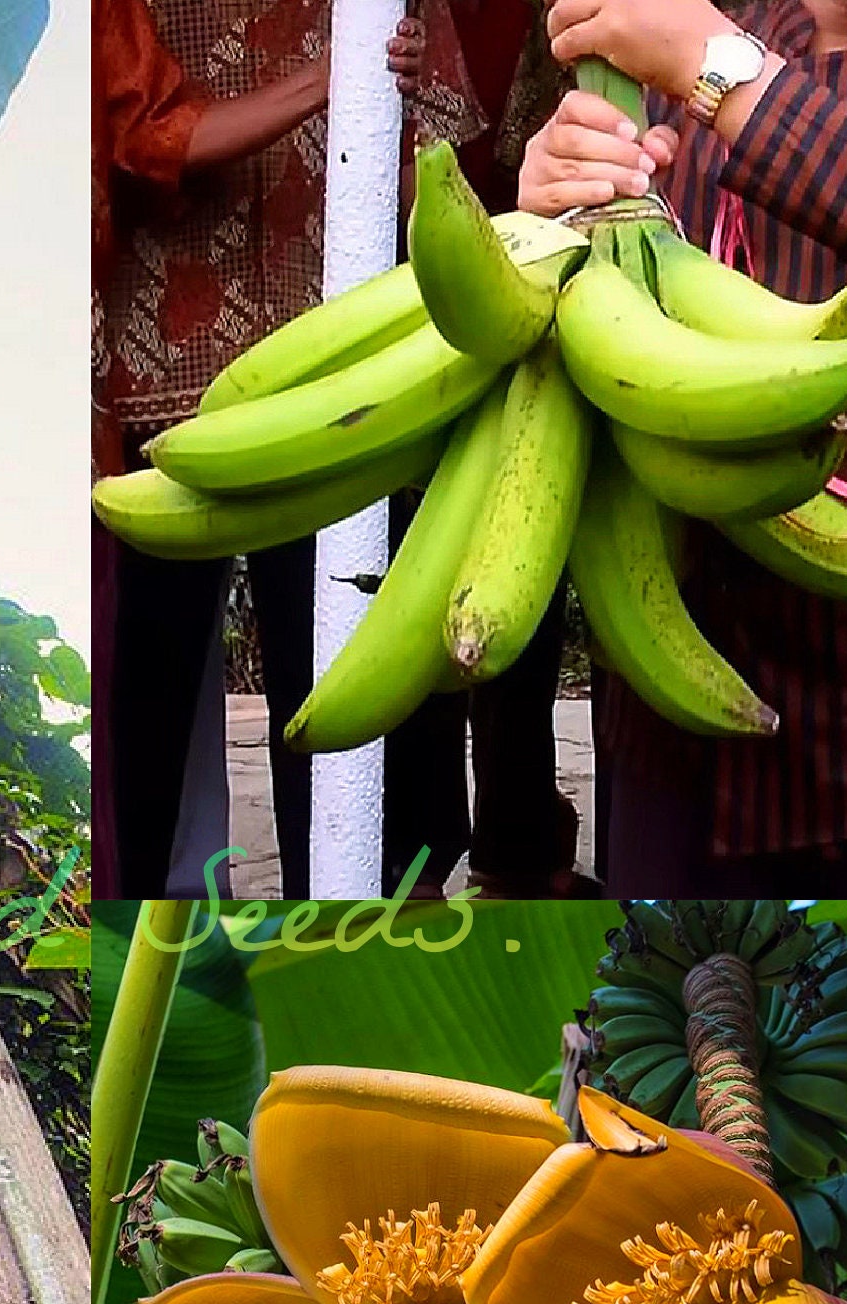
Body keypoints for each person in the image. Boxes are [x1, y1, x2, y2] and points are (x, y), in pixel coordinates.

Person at [518, 0, 847, 892]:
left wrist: (734, 78)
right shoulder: (681, 37)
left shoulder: (701, 47)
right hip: (672, 727)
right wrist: (553, 209)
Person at [93, 0, 493, 898]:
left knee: (337, 671)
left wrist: (389, 102)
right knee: (145, 691)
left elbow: (437, 178)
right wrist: (331, 76)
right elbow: (141, 137)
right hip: (176, 371)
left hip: (342, 380)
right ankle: (144, 944)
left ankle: (353, 918)